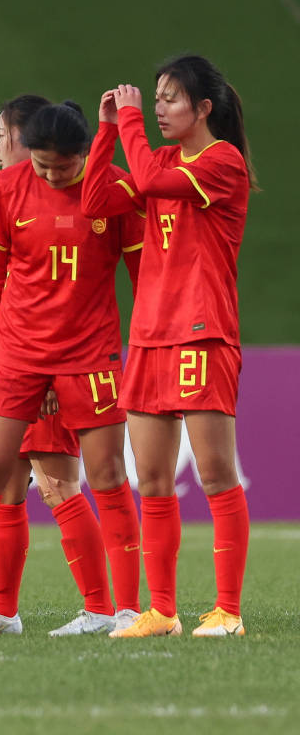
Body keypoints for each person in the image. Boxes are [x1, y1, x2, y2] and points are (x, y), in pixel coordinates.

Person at [0, 101, 144, 638]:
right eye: (41, 164)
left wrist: (145, 349)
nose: (51, 175)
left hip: (90, 355)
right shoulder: (7, 187)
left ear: (84, 153)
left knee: (106, 477)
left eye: (63, 166)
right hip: (18, 353)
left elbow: (142, 274)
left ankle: (125, 610)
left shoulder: (114, 189)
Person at [84, 55, 252, 638]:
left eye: (170, 97)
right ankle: (162, 611)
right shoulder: (158, 161)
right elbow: (95, 201)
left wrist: (129, 121)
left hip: (202, 332)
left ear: (203, 108)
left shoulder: (222, 162)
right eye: (154, 97)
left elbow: (152, 182)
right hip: (151, 336)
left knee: (215, 475)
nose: (157, 107)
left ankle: (227, 611)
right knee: (151, 480)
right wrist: (107, 130)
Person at [0, 94, 84, 636]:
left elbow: (76, 294)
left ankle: (104, 607)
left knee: (57, 485)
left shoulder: (79, 196)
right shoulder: (7, 193)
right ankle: (3, 611)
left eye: (2, 134)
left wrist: (54, 371)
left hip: (53, 363)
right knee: (7, 488)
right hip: (11, 361)